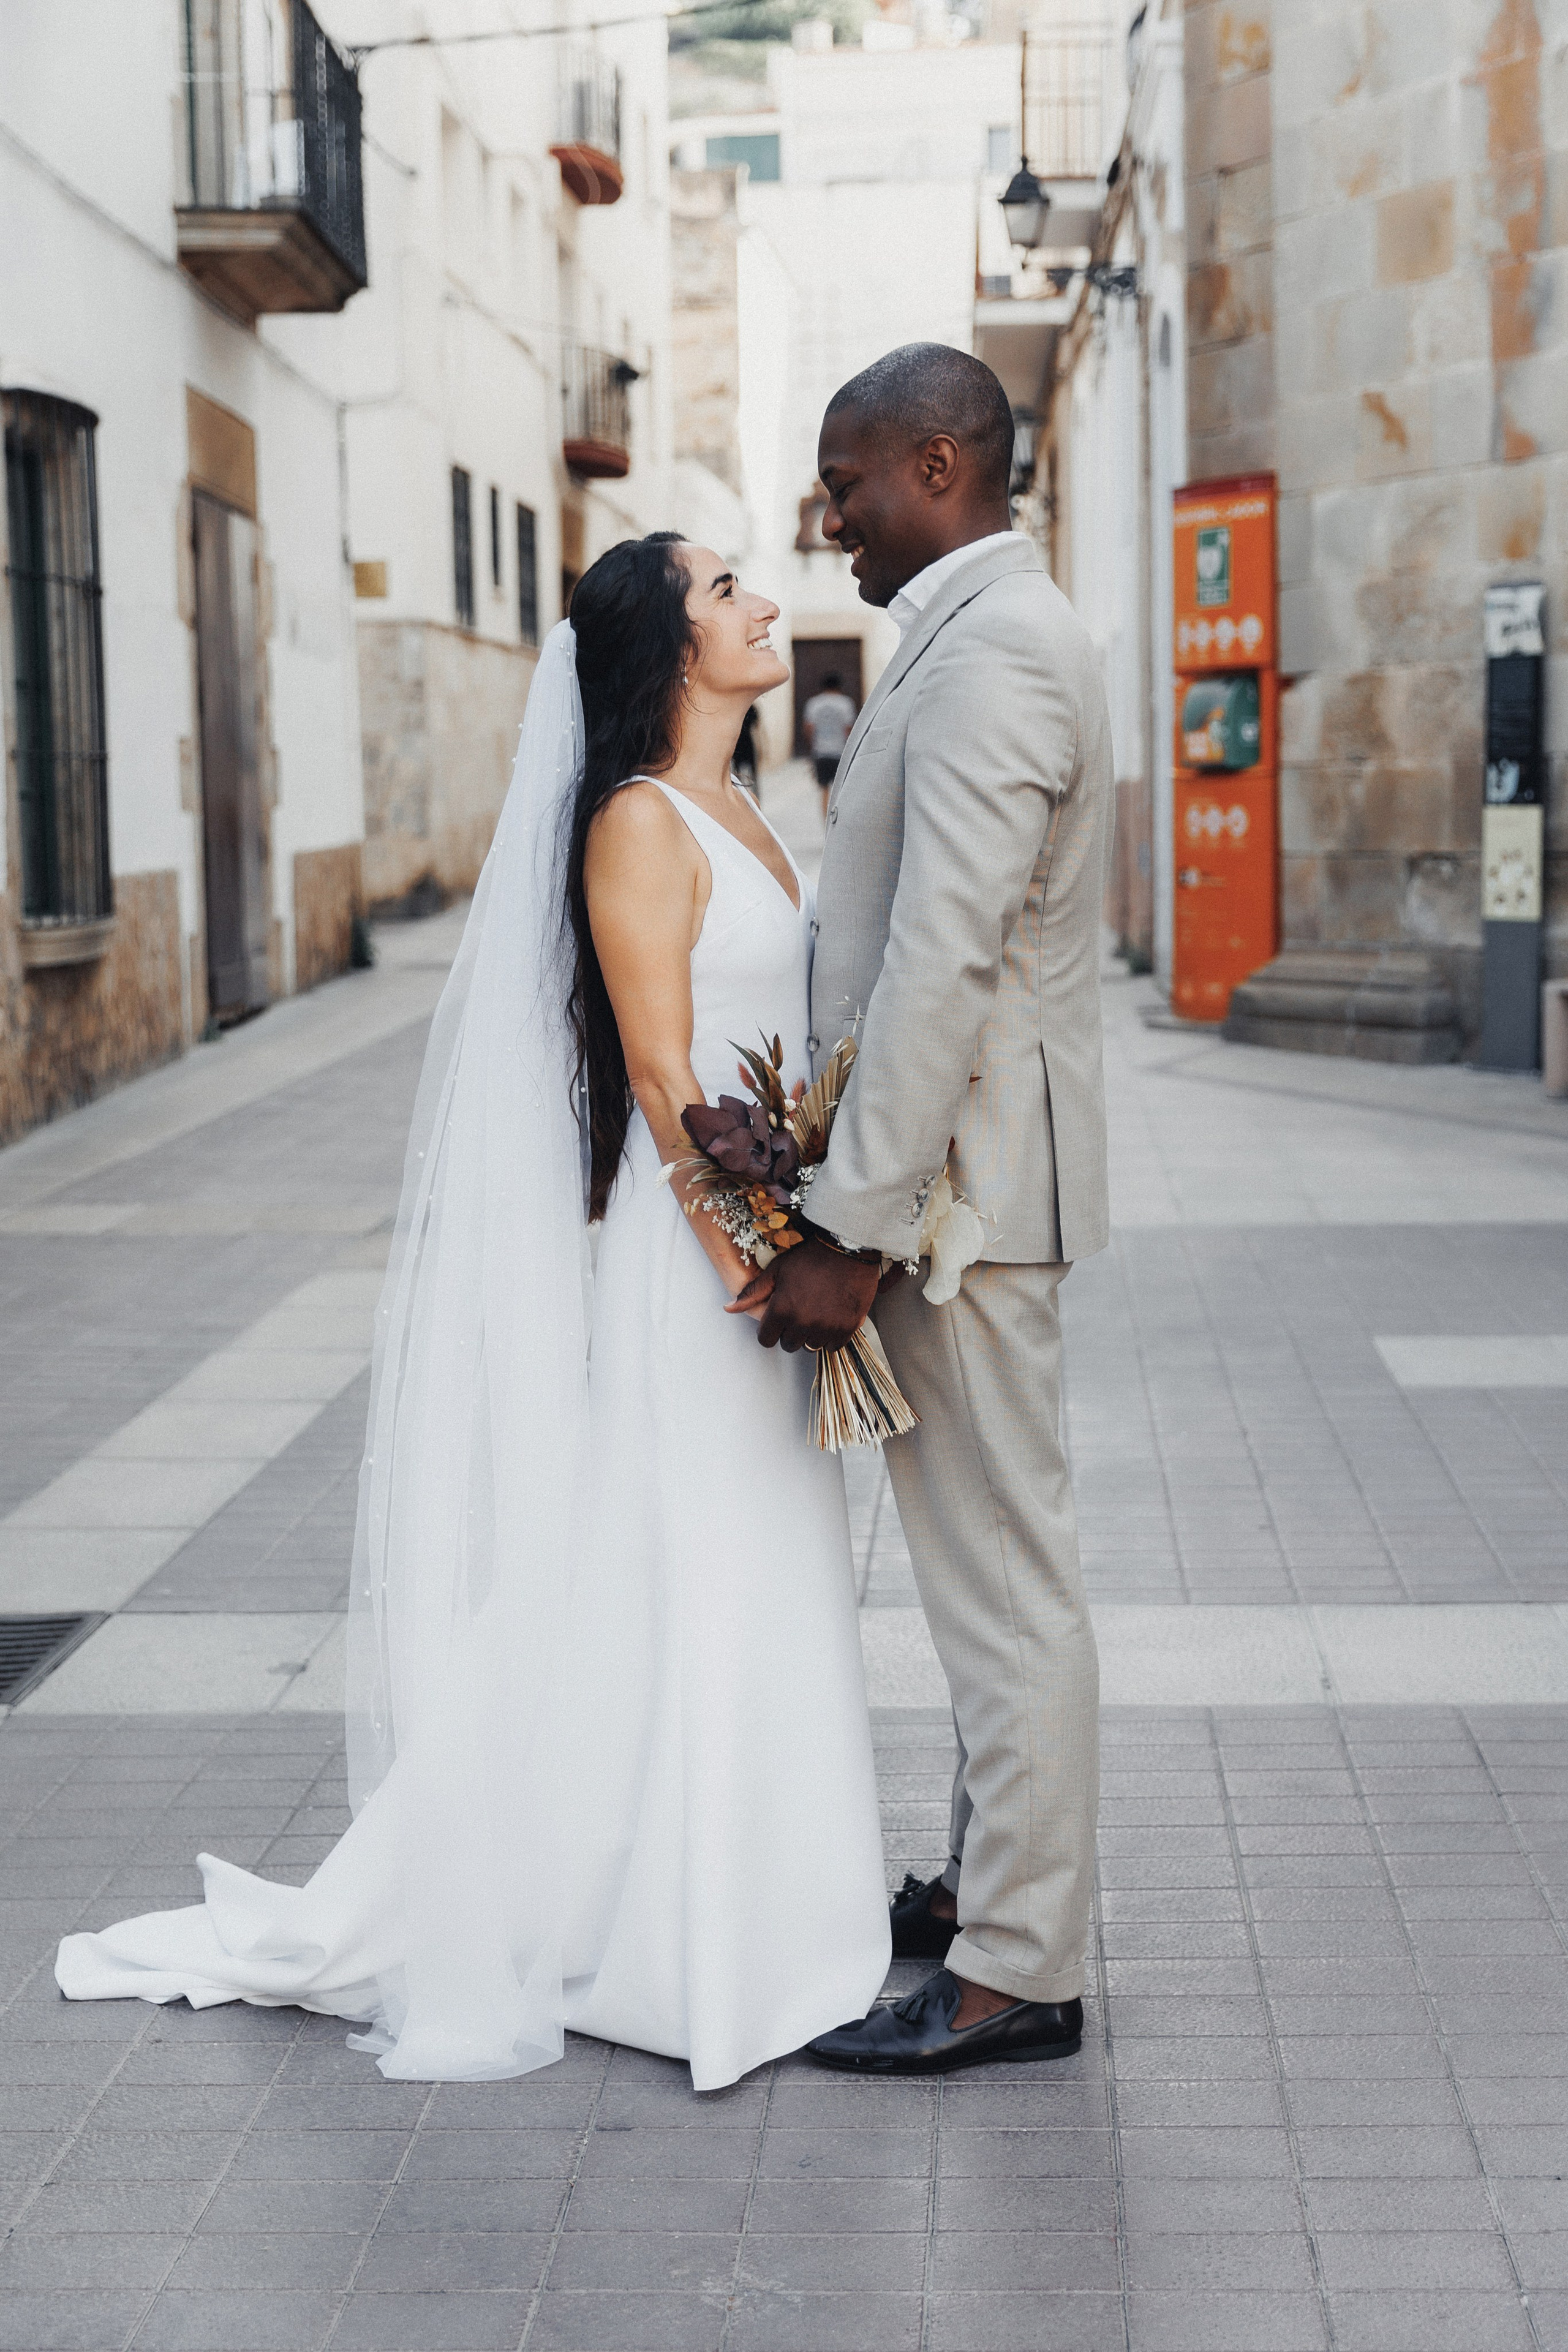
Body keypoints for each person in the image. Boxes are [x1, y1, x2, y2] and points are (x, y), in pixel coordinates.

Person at [55, 535, 890, 2090]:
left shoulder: (746, 810)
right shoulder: (639, 824)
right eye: (724, 591)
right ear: (664, 645)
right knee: (699, 1557)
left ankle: (774, 1897)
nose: (765, 600)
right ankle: (694, 1941)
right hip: (700, 1267)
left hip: (770, 1239)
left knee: (740, 1559)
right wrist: (752, 1273)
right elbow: (659, 1079)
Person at [738, 342, 1114, 2076]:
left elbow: (945, 958)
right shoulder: (965, 637)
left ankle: (1020, 1968)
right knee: (987, 1573)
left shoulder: (1004, 651)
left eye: (850, 480)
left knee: (1000, 1581)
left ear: (943, 467)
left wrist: (851, 1226)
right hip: (941, 1179)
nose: (833, 518)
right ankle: (989, 1888)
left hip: (956, 1195)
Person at [803, 670, 858, 807]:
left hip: (821, 752)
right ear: (839, 686)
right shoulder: (846, 703)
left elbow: (809, 728)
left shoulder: (814, 703)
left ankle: (826, 823)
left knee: (824, 790)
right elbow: (849, 729)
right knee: (841, 791)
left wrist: (813, 748)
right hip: (840, 752)